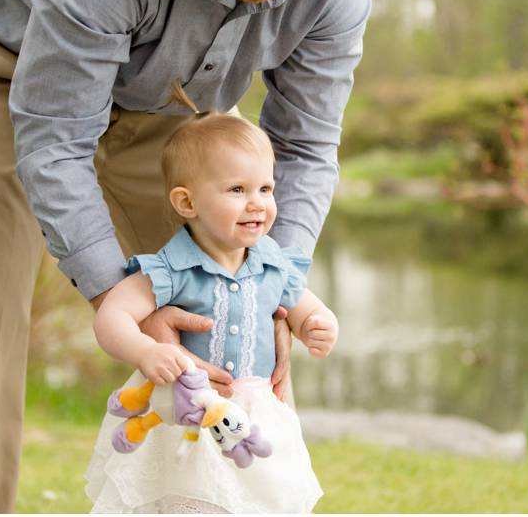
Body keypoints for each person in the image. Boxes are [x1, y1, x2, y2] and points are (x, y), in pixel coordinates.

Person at [0, 0, 368, 512]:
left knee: (240, 304)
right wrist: (126, 305)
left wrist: (274, 283)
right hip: (6, 71)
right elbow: (57, 139)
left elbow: (303, 144)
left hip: (170, 107)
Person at [84, 83, 341, 513]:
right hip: (187, 420)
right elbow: (112, 317)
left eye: (265, 189)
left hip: (256, 414)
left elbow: (299, 303)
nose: (257, 204)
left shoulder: (273, 262)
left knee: (256, 502)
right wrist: (146, 350)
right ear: (187, 202)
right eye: (237, 190)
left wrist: (317, 321)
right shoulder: (172, 267)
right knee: (193, 503)